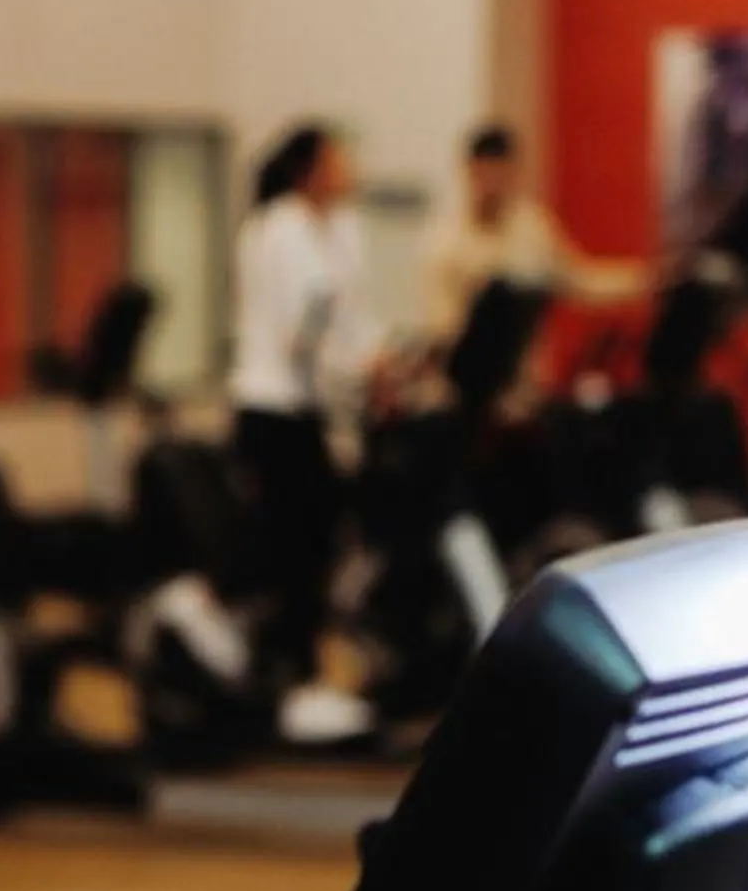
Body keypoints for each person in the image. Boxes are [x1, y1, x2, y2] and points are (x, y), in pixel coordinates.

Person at [227, 123, 377, 698]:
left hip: (308, 409)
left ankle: (305, 664)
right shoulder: (280, 228)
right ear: (310, 170)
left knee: (319, 542)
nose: (351, 171)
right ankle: (289, 669)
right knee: (290, 545)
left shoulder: (337, 228)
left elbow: (346, 318)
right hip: (272, 407)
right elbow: (304, 330)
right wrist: (360, 364)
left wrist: (380, 356)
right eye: (340, 160)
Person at [417, 122, 648, 355]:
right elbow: (442, 328)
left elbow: (581, 279)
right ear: (469, 170)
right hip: (471, 378)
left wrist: (646, 280)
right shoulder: (445, 241)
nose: (492, 183)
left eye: (500, 172)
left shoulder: (533, 228)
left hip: (526, 379)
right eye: (484, 172)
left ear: (513, 172)